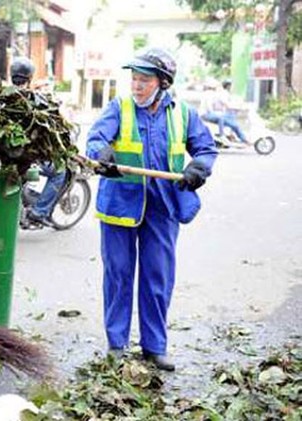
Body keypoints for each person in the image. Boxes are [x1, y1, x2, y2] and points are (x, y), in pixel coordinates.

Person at [86, 48, 217, 371]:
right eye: (134, 79)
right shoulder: (120, 108)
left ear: (163, 83)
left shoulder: (183, 114)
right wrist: (103, 153)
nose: (137, 86)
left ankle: (154, 348)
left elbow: (205, 147)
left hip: (162, 207)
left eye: (144, 80)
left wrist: (199, 167)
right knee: (118, 275)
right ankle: (117, 345)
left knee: (157, 278)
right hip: (120, 204)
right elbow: (95, 138)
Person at [10, 56, 67, 226]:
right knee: (59, 171)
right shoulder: (34, 101)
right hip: (24, 159)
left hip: (1, 156)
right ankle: (39, 212)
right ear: (30, 78)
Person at [200, 79, 249, 144]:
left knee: (234, 124)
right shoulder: (212, 94)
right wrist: (239, 108)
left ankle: (241, 138)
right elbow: (210, 107)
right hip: (207, 114)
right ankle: (222, 135)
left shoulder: (219, 93)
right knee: (223, 118)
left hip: (216, 113)